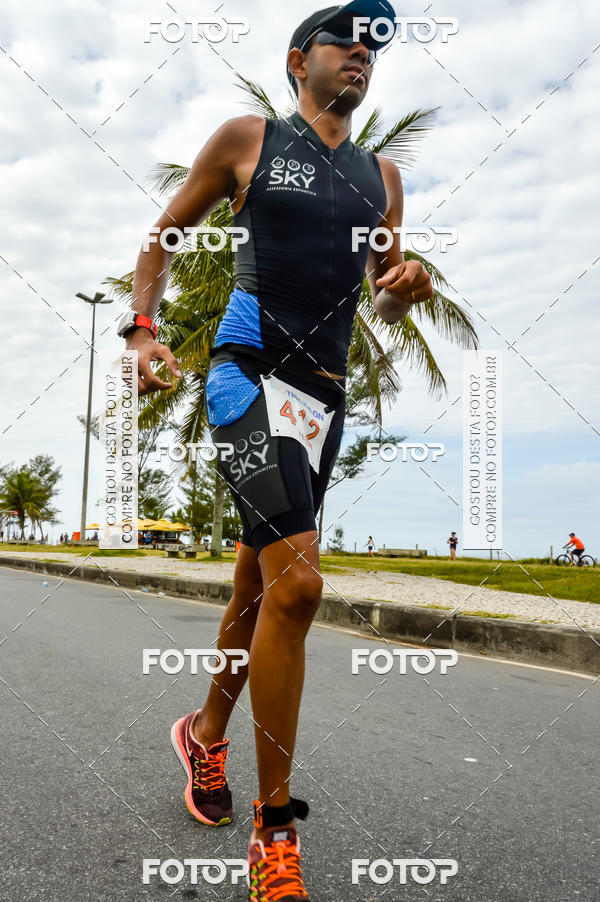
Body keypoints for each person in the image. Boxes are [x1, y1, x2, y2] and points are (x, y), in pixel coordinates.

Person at [122, 2, 433, 898]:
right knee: (298, 582)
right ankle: (274, 832)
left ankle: (204, 738)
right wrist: (143, 332)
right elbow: (161, 236)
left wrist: (404, 284)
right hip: (245, 372)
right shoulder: (248, 138)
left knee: (258, 584)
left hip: (322, 399)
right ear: (301, 60)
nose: (362, 58)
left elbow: (383, 287)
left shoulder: (382, 178)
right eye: (346, 42)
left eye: (374, 48)